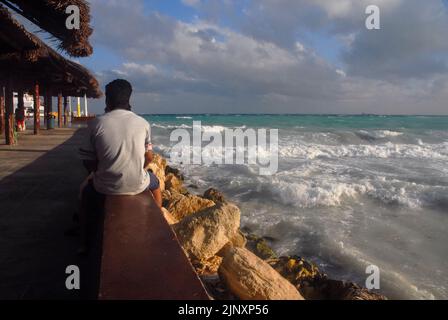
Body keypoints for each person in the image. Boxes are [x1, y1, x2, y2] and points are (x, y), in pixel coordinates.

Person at [78, 79, 162, 252]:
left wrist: (97, 172)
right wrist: (141, 167)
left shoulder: (95, 124)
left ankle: (85, 243)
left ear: (107, 100)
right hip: (137, 184)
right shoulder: (143, 123)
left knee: (85, 194)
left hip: (104, 186)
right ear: (129, 99)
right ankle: (158, 223)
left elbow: (88, 161)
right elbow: (150, 157)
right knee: (156, 184)